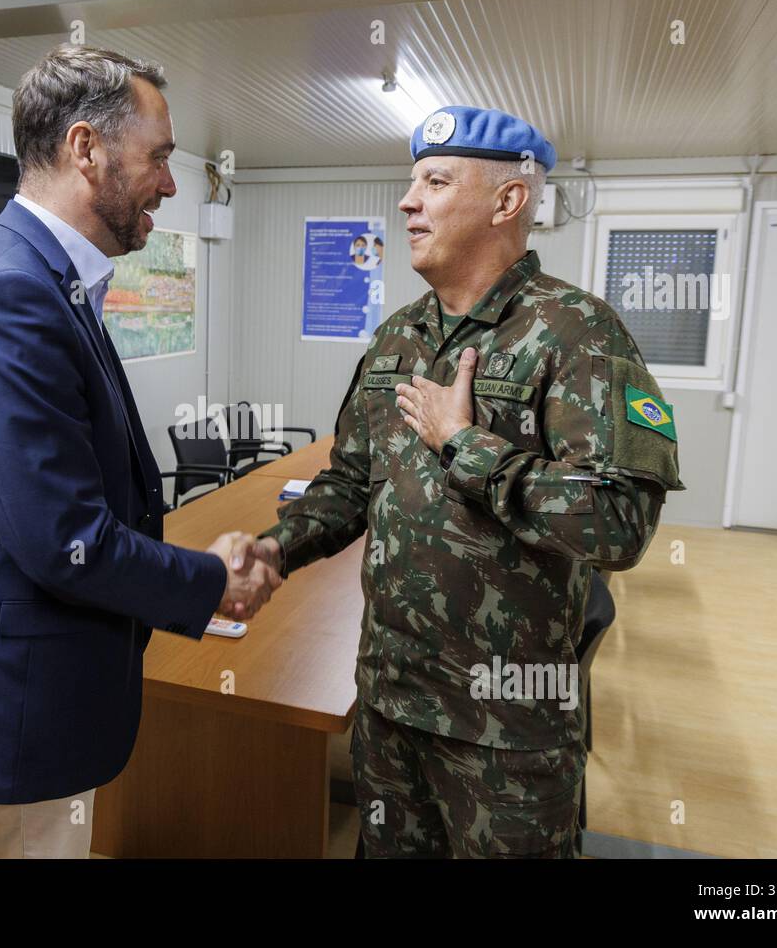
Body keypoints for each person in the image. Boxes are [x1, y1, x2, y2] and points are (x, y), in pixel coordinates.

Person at [0, 44, 280, 860]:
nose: (171, 184)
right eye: (160, 159)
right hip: (17, 694)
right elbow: (63, 540)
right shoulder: (9, 294)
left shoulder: (35, 276)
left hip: (27, 678)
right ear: (86, 149)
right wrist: (212, 584)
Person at [253, 105, 684, 857]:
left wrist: (466, 447)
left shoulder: (578, 332)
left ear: (507, 201)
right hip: (389, 706)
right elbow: (350, 483)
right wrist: (271, 551)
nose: (407, 201)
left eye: (435, 180)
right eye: (411, 180)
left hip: (505, 730)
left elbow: (619, 525)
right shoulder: (398, 336)